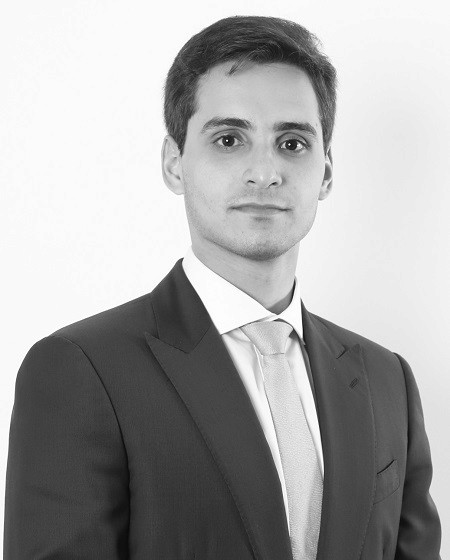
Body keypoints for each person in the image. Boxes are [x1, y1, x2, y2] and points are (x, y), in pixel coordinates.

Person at [3, 15, 441, 560]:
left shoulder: (386, 379)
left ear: (326, 172)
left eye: (292, 142)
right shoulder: (80, 370)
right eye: (229, 139)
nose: (265, 172)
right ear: (174, 163)